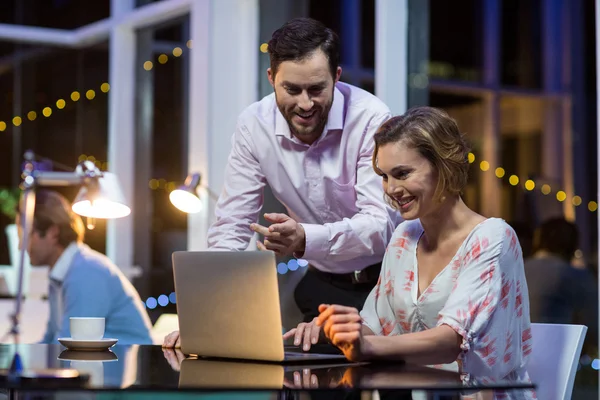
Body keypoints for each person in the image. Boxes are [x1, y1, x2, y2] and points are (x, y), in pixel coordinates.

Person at [164, 18, 399, 348]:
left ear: (337, 77)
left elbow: (379, 227)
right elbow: (232, 226)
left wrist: (304, 237)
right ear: (272, 78)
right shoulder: (253, 125)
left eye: (317, 89)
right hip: (322, 287)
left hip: (387, 285)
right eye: (292, 90)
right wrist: (204, 320)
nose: (305, 104)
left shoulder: (371, 118)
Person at [287, 107, 534, 396]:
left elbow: (452, 341)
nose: (391, 189)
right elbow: (374, 323)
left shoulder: (494, 238)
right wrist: (333, 330)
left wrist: (365, 345)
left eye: (402, 174)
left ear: (444, 165)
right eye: (384, 176)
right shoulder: (405, 235)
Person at [17, 190, 153, 344]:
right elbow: (51, 340)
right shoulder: (62, 274)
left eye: (25, 236)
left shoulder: (86, 272)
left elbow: (70, 345)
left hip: (127, 364)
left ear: (52, 233)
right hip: (98, 363)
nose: (20, 246)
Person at [524, 217, 598, 332]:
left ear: (538, 240)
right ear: (573, 246)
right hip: (558, 346)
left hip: (516, 346)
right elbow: (594, 325)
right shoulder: (575, 276)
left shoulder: (518, 268)